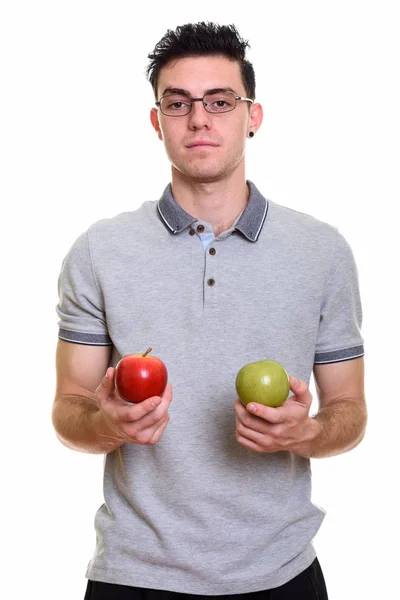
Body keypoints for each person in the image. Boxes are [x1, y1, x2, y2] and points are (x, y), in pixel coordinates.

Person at [52, 21, 367, 600]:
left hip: (282, 573)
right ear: (157, 122)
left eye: (220, 101)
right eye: (179, 103)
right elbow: (68, 410)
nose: (199, 119)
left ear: (253, 116)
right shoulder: (100, 250)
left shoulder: (321, 251)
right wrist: (104, 423)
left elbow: (350, 412)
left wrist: (306, 432)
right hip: (135, 574)